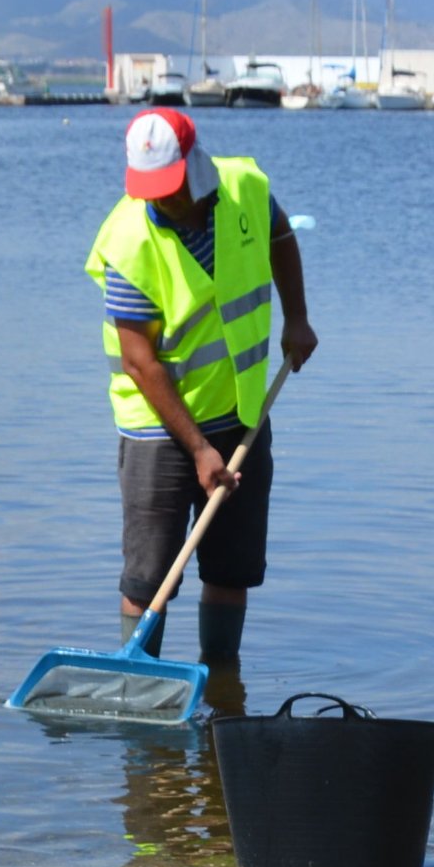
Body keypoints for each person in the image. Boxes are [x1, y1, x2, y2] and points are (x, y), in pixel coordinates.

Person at [86, 106, 318, 674]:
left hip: (240, 413)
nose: (160, 201)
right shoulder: (128, 241)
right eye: (150, 191)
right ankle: (140, 682)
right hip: (157, 429)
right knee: (150, 576)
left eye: (169, 188)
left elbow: (281, 235)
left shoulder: (244, 189)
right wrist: (197, 450)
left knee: (229, 569)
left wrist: (297, 319)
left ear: (197, 165)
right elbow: (141, 363)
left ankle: (218, 684)